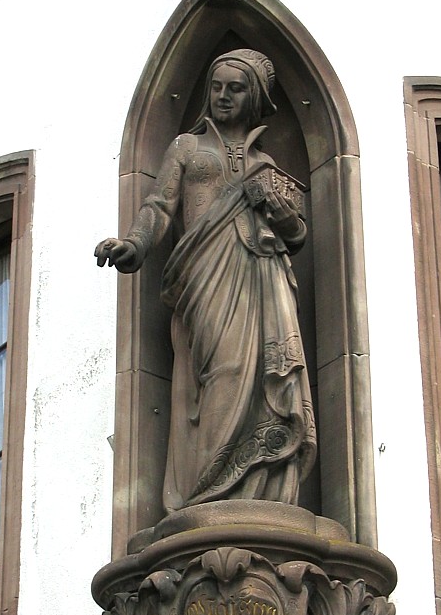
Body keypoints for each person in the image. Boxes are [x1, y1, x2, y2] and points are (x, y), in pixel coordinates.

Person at [95, 49, 316, 513]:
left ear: (254, 97)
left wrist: (271, 204)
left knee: (263, 379)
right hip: (205, 275)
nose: (222, 96)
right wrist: (133, 245)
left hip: (262, 274)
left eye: (234, 89)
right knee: (224, 371)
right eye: (216, 87)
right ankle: (210, 492)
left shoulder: (267, 164)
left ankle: (254, 490)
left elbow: (296, 233)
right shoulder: (187, 148)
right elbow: (159, 206)